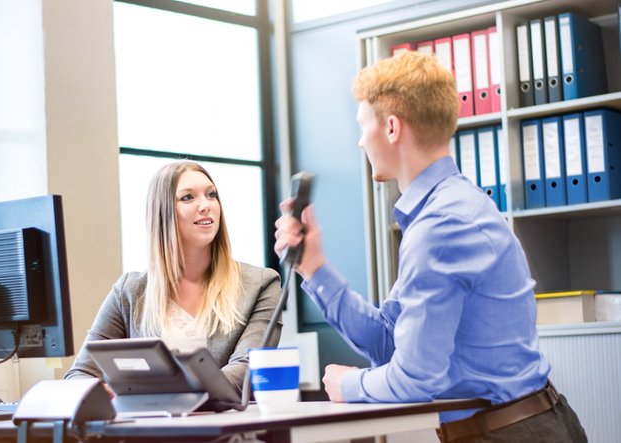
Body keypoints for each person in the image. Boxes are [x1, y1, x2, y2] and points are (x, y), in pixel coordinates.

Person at [274, 51, 587, 442]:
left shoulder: (441, 225)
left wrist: (351, 384)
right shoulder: (446, 210)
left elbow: (415, 379)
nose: (359, 141)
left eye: (362, 125)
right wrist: (314, 267)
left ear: (391, 128)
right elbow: (391, 341)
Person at [66, 160, 281, 397]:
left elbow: (245, 371)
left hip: (225, 428)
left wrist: (158, 391)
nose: (206, 205)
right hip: (148, 429)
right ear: (163, 211)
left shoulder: (261, 284)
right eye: (188, 197)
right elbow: (80, 375)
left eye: (211, 195)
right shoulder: (130, 291)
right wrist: (104, 392)